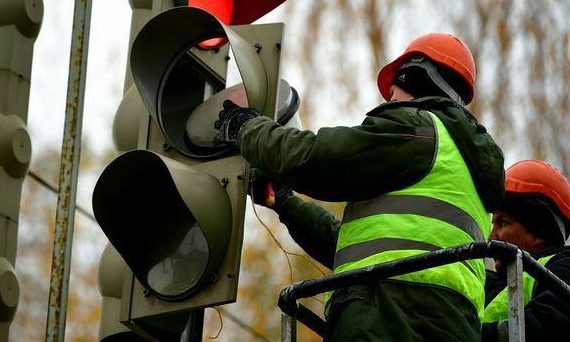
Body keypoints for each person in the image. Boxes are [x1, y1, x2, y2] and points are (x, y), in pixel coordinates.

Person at [215, 33, 505, 341]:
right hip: (449, 324)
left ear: (417, 78)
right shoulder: (467, 171)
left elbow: (315, 159)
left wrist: (245, 127)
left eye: (393, 94)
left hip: (389, 315)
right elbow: (356, 248)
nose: (390, 103)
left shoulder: (417, 130)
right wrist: (284, 202)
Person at [482, 159, 570, 341]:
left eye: (502, 223)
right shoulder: (484, 283)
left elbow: (548, 325)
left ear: (538, 233)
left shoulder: (563, 269)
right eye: (493, 224)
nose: (491, 237)